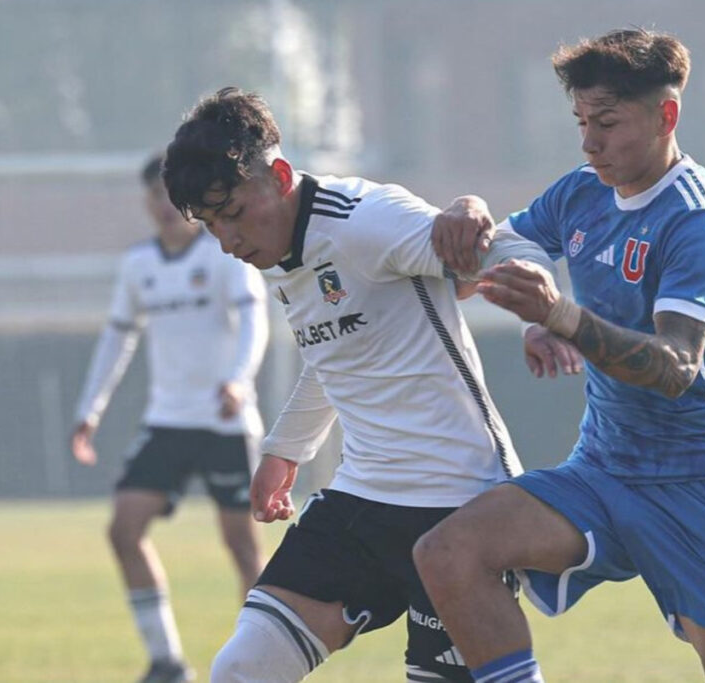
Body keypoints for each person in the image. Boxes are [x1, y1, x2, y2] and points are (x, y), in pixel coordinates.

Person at [415, 29, 705, 683]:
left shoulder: (701, 220)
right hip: (600, 469)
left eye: (607, 122)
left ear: (665, 115)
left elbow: (678, 367)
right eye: (581, 121)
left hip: (694, 482)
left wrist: (560, 316)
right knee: (448, 552)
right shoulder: (582, 191)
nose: (589, 141)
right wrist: (471, 212)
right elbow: (510, 243)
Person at [161, 87, 569, 683]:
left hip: (457, 505)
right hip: (362, 502)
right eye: (211, 223)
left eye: (233, 213)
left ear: (277, 175)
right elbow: (339, 347)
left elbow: (503, 245)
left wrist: (547, 316)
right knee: (242, 668)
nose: (227, 240)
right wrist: (284, 452)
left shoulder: (365, 220)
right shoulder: (277, 247)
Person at [72, 154, 270, 683]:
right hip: (167, 422)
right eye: (152, 196)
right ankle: (166, 661)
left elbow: (255, 324)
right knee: (123, 528)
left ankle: (259, 664)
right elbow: (118, 337)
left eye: (167, 195)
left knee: (242, 547)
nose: (160, 206)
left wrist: (237, 380)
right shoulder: (140, 264)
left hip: (225, 423)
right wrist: (89, 411)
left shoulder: (224, 252)